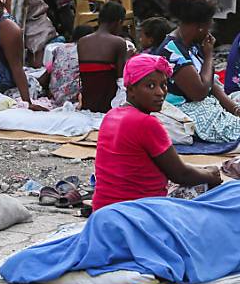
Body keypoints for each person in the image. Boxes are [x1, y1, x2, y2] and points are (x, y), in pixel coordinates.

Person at [92, 54, 223, 211]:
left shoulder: (111, 115)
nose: (161, 92)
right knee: (214, 190)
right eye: (151, 86)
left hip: (103, 211)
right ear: (131, 90)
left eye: (164, 85)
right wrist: (211, 175)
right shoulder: (146, 123)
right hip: (139, 213)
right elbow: (180, 174)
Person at [157, 0, 240, 117]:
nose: (209, 31)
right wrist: (208, 56)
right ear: (200, 27)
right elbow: (199, 92)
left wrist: (236, 110)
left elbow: (211, 84)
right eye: (209, 26)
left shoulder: (192, 44)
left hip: (208, 105)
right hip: (189, 112)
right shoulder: (172, 51)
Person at [77, 1, 129, 113]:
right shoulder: (118, 42)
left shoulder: (82, 42)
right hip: (107, 105)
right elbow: (121, 79)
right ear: (119, 22)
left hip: (88, 104)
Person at [38, 25, 93, 106]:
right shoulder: (87, 51)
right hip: (73, 98)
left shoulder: (59, 49)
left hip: (55, 96)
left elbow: (48, 72)